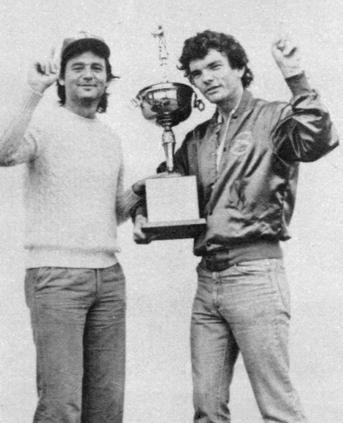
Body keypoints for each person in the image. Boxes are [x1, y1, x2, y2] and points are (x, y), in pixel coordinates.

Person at [133, 30, 339, 423]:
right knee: (207, 408)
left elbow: (319, 139)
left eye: (215, 66)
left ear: (240, 68)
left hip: (256, 276)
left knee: (277, 407)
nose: (207, 77)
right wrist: (144, 216)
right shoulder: (196, 138)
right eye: (196, 73)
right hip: (207, 282)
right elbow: (170, 189)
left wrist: (295, 76)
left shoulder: (275, 117)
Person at [0, 32, 145, 423]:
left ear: (107, 79)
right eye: (77, 67)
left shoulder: (110, 138)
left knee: (106, 404)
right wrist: (32, 91)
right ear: (61, 79)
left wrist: (143, 193)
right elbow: (2, 151)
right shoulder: (44, 124)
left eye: (96, 68)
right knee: (62, 404)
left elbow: (111, 211)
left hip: (110, 280)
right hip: (57, 277)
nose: (87, 74)